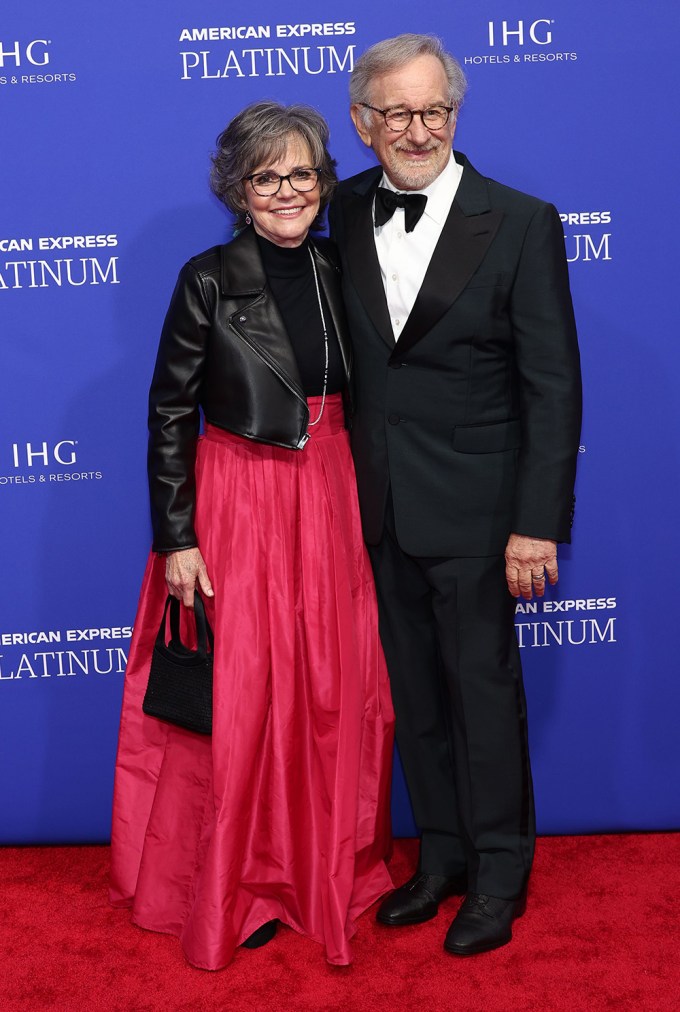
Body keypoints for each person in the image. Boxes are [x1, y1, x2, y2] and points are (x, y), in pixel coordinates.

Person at [109, 101, 394, 970]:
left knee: (331, 688)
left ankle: (325, 870)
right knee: (241, 696)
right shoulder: (207, 277)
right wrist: (177, 538)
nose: (285, 191)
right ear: (236, 187)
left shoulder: (344, 265)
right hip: (237, 497)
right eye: (264, 176)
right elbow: (168, 411)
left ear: (324, 180)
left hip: (334, 489)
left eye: (301, 173)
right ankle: (242, 882)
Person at [329, 34, 582, 955]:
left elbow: (553, 387)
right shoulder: (346, 209)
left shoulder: (520, 220)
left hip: (481, 514)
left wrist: (534, 526)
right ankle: (440, 859)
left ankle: (501, 874)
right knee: (415, 696)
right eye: (396, 112)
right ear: (363, 124)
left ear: (456, 114)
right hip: (378, 507)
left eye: (433, 110)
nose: (418, 128)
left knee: (482, 695)